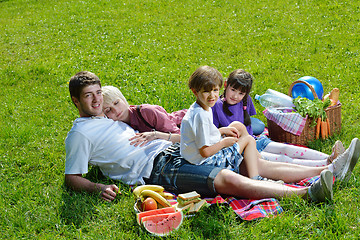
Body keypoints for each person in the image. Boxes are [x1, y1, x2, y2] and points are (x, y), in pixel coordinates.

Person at [64, 71, 360, 203]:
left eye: (99, 94)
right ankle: (307, 193)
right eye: (88, 96)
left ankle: (327, 170)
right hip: (157, 169)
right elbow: (72, 177)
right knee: (226, 179)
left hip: (169, 150)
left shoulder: (105, 114)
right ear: (76, 102)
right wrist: (96, 187)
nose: (96, 100)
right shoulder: (79, 134)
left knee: (247, 157)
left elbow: (129, 112)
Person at [212, 69, 345, 167]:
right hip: (243, 150)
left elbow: (251, 123)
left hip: (255, 141)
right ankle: (326, 164)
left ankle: (333, 157)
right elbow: (215, 134)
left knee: (285, 149)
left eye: (241, 93)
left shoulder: (246, 100)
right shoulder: (216, 106)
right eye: (233, 90)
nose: (236, 96)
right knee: (282, 158)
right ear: (225, 85)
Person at [101, 85, 186, 146]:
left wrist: (156, 135)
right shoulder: (116, 127)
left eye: (116, 103)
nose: (116, 110)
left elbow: (182, 139)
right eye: (108, 110)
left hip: (190, 124)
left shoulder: (148, 112)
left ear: (123, 99)